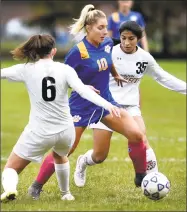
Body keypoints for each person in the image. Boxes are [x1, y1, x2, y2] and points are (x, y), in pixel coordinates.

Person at [28, 4, 148, 200]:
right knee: (65, 150)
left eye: (105, 27)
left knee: (136, 134)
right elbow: (61, 79)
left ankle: (141, 178)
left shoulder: (108, 43)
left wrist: (115, 75)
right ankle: (36, 185)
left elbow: (108, 61)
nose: (105, 31)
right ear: (89, 28)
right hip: (81, 107)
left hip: (105, 103)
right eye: (100, 27)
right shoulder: (78, 52)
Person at [0, 34, 121, 202]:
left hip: (40, 132)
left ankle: (10, 189)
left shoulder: (25, 69)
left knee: (10, 168)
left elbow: (2, 74)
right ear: (54, 51)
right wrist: (108, 105)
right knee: (60, 156)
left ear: (35, 51)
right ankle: (66, 194)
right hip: (66, 130)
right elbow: (84, 91)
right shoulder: (65, 70)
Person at [75, 20, 186, 187]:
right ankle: (83, 162)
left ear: (139, 39)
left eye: (131, 39)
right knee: (99, 156)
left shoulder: (145, 58)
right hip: (106, 107)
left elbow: (163, 77)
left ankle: (151, 180)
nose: (126, 43)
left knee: (141, 138)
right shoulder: (109, 52)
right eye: (123, 38)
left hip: (131, 108)